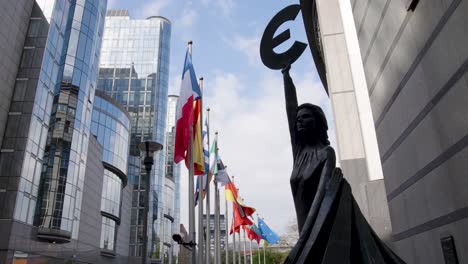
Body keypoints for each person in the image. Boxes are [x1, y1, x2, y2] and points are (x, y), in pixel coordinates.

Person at [281, 64, 405, 264]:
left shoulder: (325, 153)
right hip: (305, 231)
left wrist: (304, 241)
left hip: (320, 228)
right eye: (298, 119)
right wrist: (286, 76)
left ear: (318, 122)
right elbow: (290, 109)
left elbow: (324, 195)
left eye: (306, 117)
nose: (300, 121)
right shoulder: (299, 154)